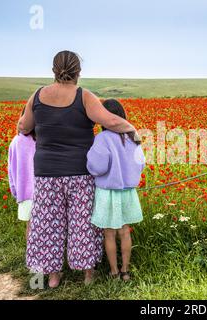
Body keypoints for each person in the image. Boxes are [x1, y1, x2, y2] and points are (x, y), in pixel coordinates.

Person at [18, 50, 138, 288]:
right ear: (78, 72)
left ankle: (51, 277)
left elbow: (24, 126)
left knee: (47, 224)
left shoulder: (37, 95)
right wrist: (133, 132)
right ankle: (88, 274)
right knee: (82, 224)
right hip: (79, 173)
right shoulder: (84, 96)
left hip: (46, 173)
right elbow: (111, 121)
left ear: (54, 70)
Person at [87, 99, 145, 282]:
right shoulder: (134, 138)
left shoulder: (102, 139)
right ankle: (125, 271)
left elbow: (97, 166)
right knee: (125, 231)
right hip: (127, 191)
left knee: (109, 233)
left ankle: (113, 271)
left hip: (107, 192)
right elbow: (140, 163)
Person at [8, 110, 36, 238]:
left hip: (24, 192)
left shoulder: (16, 141)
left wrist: (15, 190)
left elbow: (11, 169)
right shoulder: (42, 141)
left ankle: (31, 254)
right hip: (45, 191)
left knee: (30, 226)